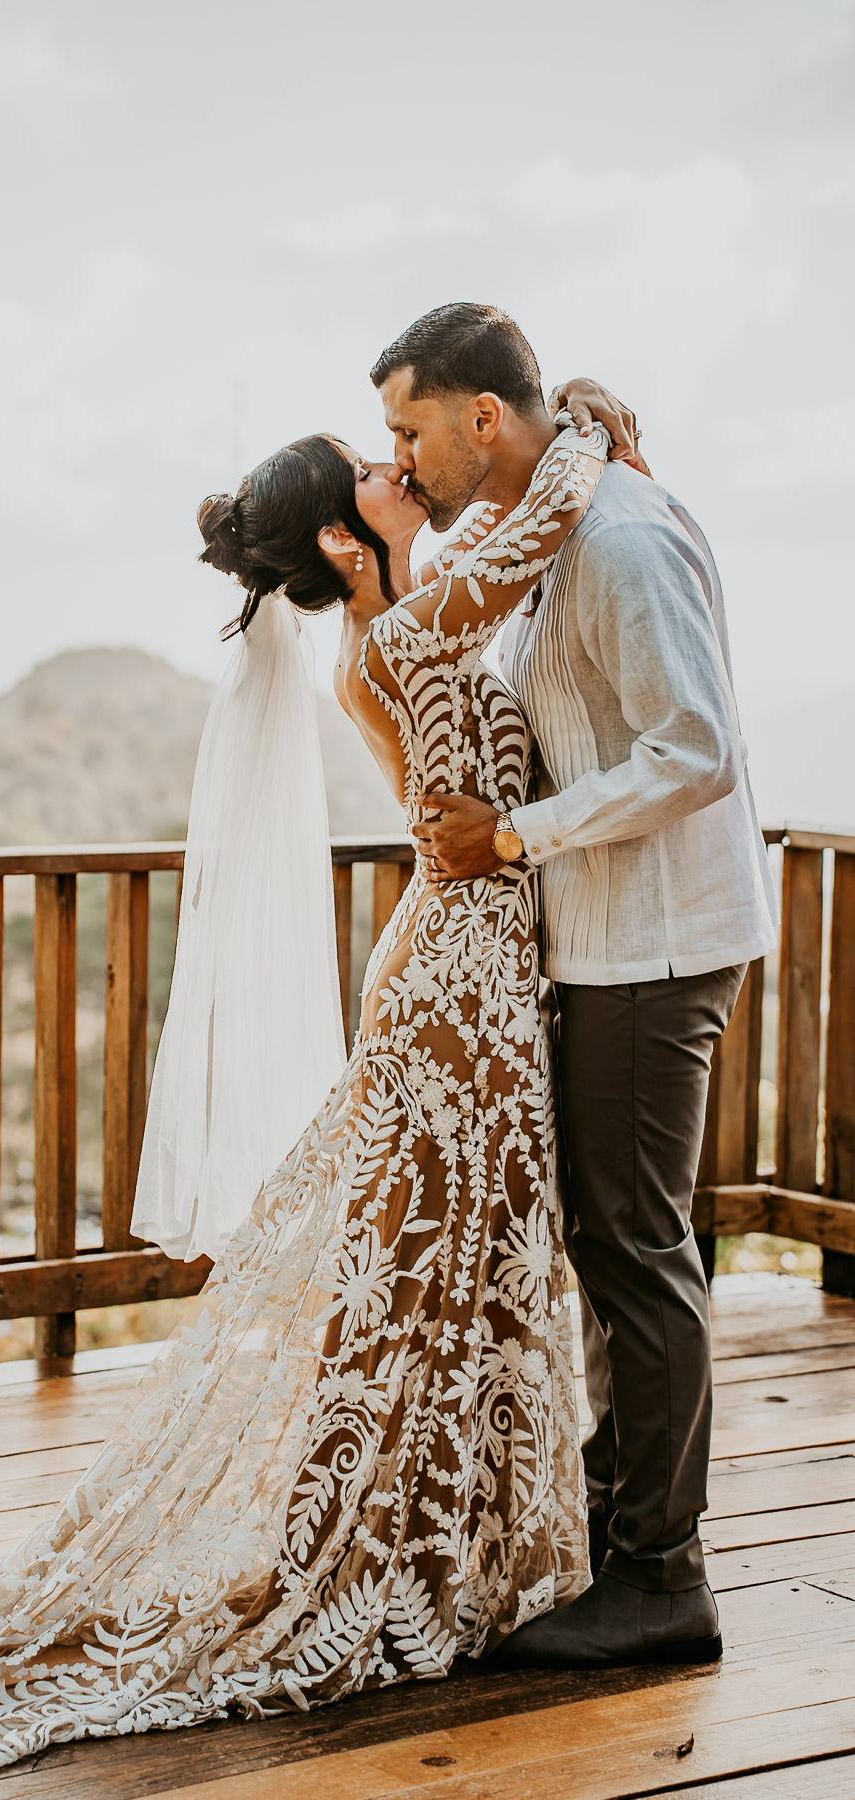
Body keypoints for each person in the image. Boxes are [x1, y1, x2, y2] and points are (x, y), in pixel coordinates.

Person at [0, 375, 619, 1797]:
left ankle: (431, 1542)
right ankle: (376, 1555)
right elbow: (542, 525)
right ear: (340, 543)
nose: (393, 466)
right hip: (458, 981)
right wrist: (587, 423)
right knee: (430, 1268)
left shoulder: (396, 625)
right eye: (368, 466)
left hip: (466, 963)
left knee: (449, 1274)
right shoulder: (407, 632)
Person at [384, 303, 779, 1668]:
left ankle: (664, 1582)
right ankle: (622, 1546)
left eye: (409, 430)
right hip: (606, 943)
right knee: (615, 1247)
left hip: (654, 947)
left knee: (637, 1252)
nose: (404, 455)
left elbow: (696, 748)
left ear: (482, 418)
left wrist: (512, 839)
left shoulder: (616, 537)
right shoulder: (554, 529)